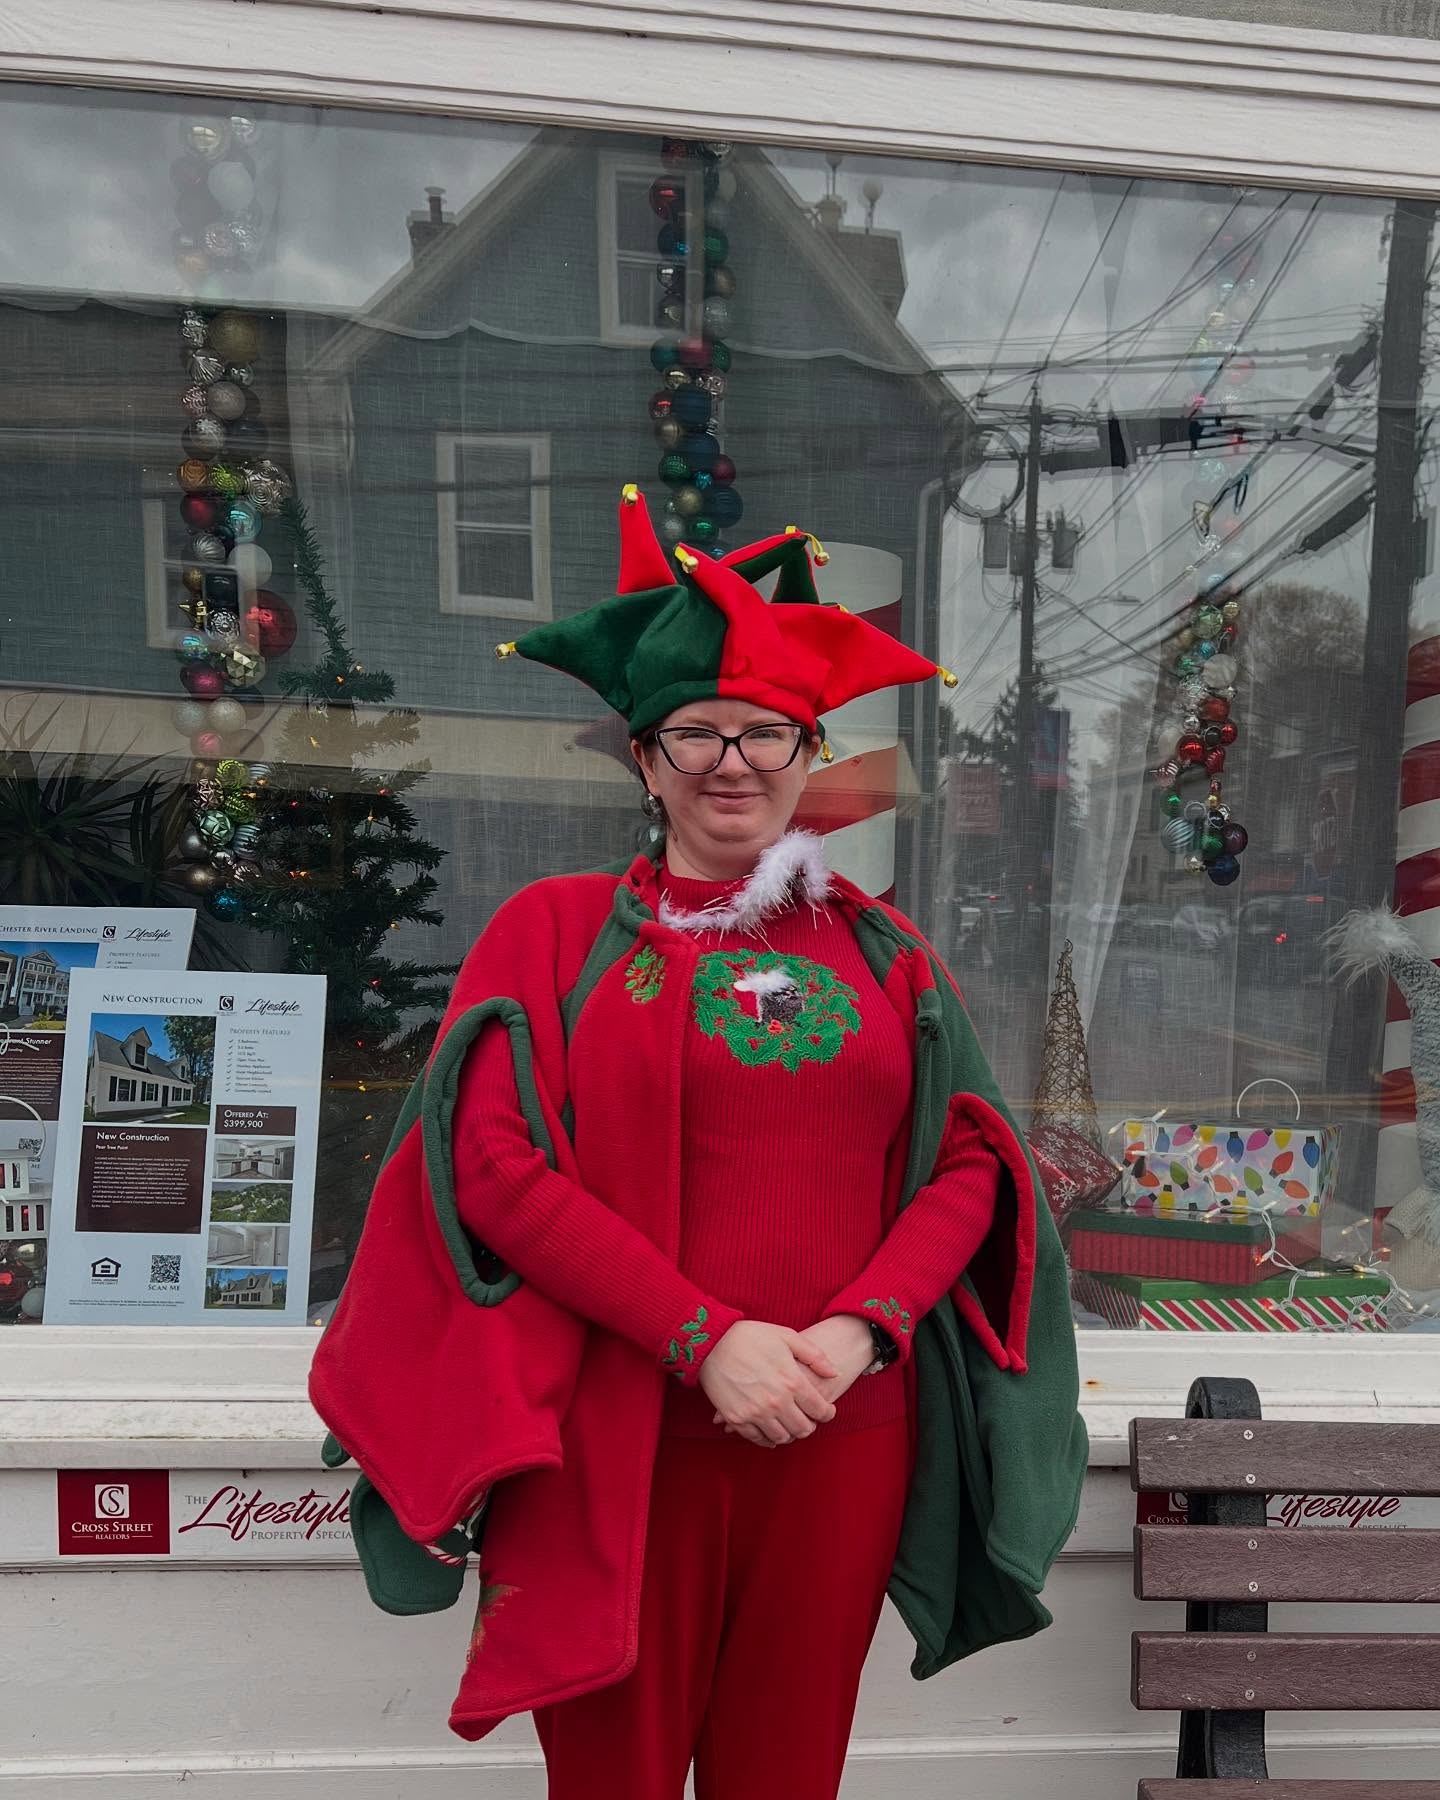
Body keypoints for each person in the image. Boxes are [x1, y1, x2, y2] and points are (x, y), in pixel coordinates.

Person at [311, 487, 1086, 1800]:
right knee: (606, 1781)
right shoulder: (553, 934)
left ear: (810, 751)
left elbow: (973, 1162)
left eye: (767, 732)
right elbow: (492, 1167)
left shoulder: (887, 954)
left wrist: (863, 1330)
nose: (734, 761)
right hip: (620, 1443)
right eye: (696, 732)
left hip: (841, 1439)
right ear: (644, 757)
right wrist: (703, 1339)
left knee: (786, 1777)